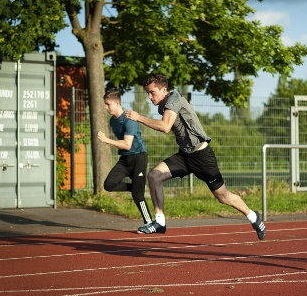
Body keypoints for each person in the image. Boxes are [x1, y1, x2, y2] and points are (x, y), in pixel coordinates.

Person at [125, 74, 266, 240]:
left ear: (164, 89)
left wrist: (138, 117)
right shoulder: (162, 106)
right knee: (154, 176)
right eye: (147, 93)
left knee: (223, 197)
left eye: (152, 92)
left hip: (202, 156)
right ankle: (160, 222)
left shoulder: (173, 100)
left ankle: (253, 216)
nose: (149, 97)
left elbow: (165, 127)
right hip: (185, 156)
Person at [97, 90, 154, 233]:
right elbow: (124, 147)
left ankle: (149, 223)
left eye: (108, 104)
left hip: (138, 158)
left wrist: (106, 140)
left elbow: (127, 144)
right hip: (125, 159)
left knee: (138, 195)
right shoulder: (112, 121)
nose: (106, 107)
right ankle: (135, 187)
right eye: (105, 104)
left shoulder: (129, 119)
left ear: (117, 103)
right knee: (109, 184)